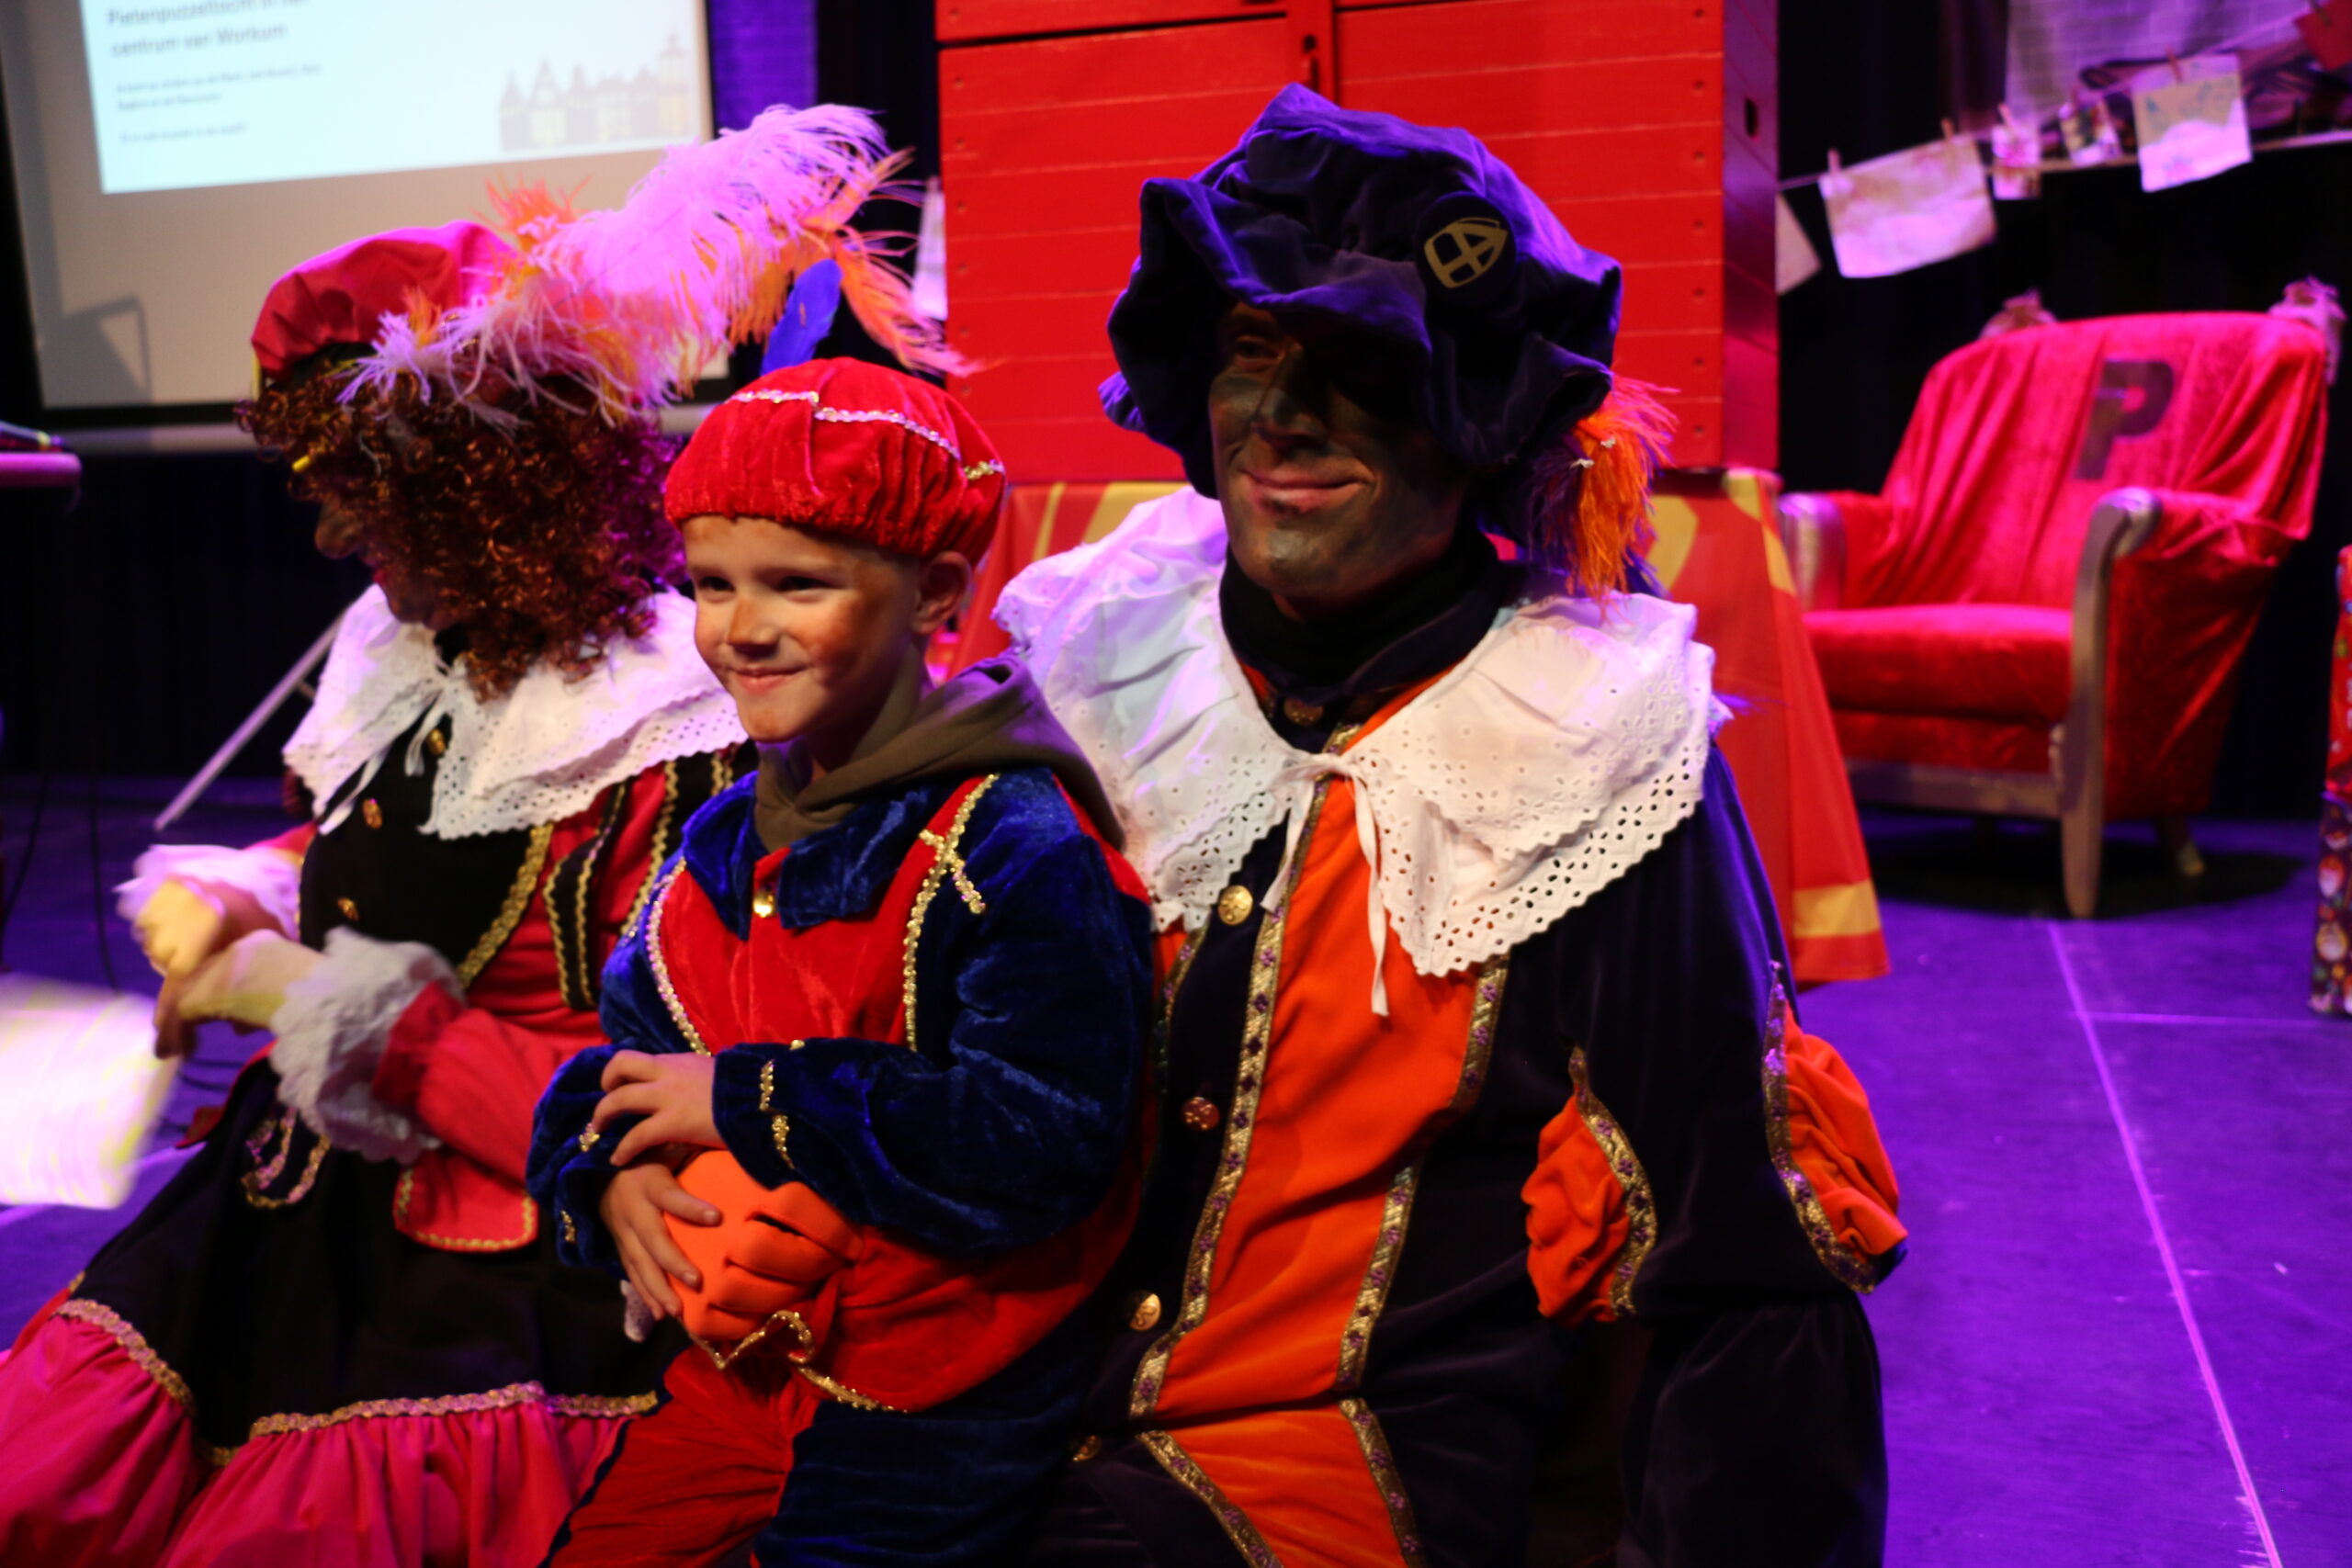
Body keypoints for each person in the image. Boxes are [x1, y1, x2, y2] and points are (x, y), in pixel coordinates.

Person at [0, 106, 958, 1568]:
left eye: (356, 499)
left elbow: (669, 1062)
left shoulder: (671, 719)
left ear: (483, 489)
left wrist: (328, 1006)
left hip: (524, 1227)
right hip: (305, 1189)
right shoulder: (403, 648)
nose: (332, 541)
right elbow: (381, 850)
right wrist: (253, 895)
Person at [998, 87, 1905, 1567]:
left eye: (1361, 364)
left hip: (1336, 1466)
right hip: (991, 1407)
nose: (1283, 415)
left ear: (1478, 415)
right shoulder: (1098, 651)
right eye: (1251, 348)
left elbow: (1732, 1248)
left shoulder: (1591, 745)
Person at [526, 356, 1155, 1567]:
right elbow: (614, 1064)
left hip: (943, 1393)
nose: (740, 629)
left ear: (937, 592)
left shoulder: (1007, 841)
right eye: (711, 584)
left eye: (797, 584)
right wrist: (605, 1180)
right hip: (744, 1366)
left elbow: (1045, 1140)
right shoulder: (720, 840)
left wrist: (750, 1097)